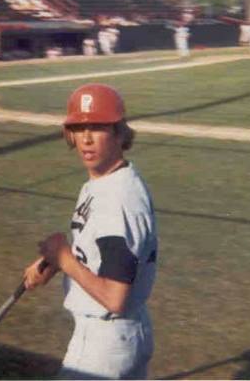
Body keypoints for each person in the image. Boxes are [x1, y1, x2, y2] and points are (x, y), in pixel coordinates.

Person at [23, 83, 158, 380]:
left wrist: (66, 261)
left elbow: (114, 296)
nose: (86, 139)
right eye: (78, 128)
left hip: (104, 345)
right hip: (128, 332)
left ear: (119, 133)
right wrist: (54, 263)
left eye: (97, 127)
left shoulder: (117, 198)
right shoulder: (107, 181)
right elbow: (98, 249)